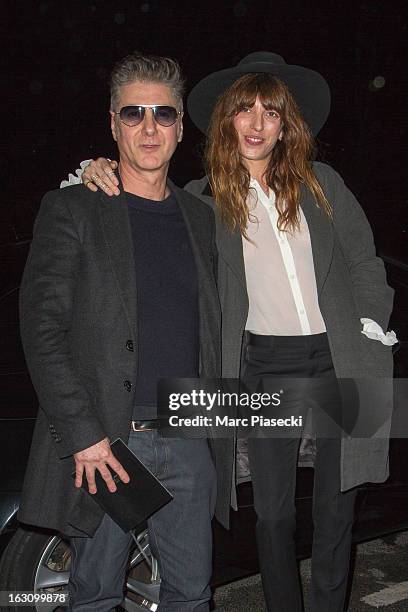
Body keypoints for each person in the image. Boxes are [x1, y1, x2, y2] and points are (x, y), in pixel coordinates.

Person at [66, 52, 396, 611]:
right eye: (245, 109)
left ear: (286, 123)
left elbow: (366, 262)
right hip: (263, 367)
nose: (258, 123)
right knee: (273, 512)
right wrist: (92, 172)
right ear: (227, 120)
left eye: (272, 111)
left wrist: (368, 325)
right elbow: (141, 202)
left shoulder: (322, 185)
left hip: (342, 358)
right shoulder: (202, 198)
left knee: (339, 506)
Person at [18, 52, 227, 611]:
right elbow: (41, 329)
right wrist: (84, 434)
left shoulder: (200, 215)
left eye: (163, 113)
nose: (149, 127)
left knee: (190, 594)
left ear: (182, 126)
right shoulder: (74, 208)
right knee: (95, 594)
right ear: (112, 123)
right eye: (133, 113)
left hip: (187, 435)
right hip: (110, 444)